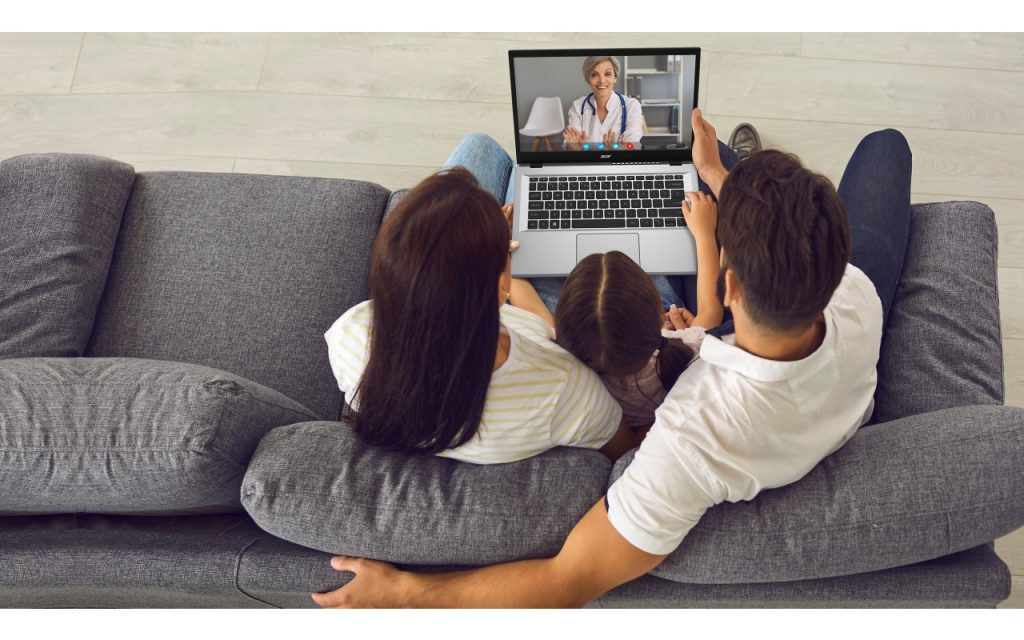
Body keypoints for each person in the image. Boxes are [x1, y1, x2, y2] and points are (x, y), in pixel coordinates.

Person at [311, 109, 912, 608]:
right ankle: (738, 164)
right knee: (888, 145)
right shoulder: (856, 295)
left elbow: (568, 579)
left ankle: (739, 167)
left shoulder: (690, 439)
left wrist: (408, 593)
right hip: (839, 380)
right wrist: (717, 175)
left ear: (730, 285)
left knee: (494, 156)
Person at [324, 168, 640, 465]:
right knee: (512, 166)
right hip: (524, 324)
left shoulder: (350, 333)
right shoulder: (567, 390)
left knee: (486, 153)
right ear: (501, 284)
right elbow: (627, 453)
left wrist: (488, 252)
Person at [554, 188, 723, 429]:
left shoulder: (570, 369)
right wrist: (705, 233)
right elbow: (711, 310)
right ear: (659, 316)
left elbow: (527, 301)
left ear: (562, 328)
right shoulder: (686, 348)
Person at [563, 56, 644, 148]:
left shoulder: (631, 105)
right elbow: (570, 145)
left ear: (615, 77)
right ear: (588, 80)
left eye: (607, 74)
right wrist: (575, 147)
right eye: (594, 75)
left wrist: (612, 150)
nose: (601, 80)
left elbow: (632, 145)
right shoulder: (578, 106)